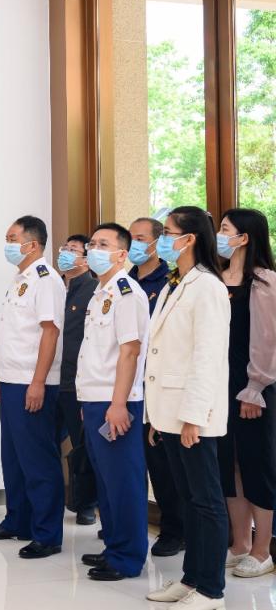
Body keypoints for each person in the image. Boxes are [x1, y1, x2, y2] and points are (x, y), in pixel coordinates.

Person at [144, 207, 230, 610]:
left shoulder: (207, 286)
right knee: (187, 499)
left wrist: (194, 417)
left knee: (206, 502)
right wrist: (155, 416)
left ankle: (211, 589)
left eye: (167, 232)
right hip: (169, 412)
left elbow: (207, 357)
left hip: (193, 416)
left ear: (189, 238)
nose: (162, 240)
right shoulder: (174, 284)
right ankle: (191, 578)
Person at [0, 215, 66, 559]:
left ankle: (47, 534)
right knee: (14, 458)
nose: (8, 245)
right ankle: (18, 520)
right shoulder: (21, 280)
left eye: (12, 239)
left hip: (33, 383)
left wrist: (38, 382)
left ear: (32, 244)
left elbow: (50, 332)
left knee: (38, 461)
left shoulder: (46, 280)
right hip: (13, 381)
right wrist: (5, 378)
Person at [75, 223, 150, 582]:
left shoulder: (126, 293)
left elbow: (130, 351)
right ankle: (114, 547)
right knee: (106, 482)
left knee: (123, 482)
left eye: (103, 244)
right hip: (96, 399)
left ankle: (128, 557)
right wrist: (87, 398)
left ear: (122, 254)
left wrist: (118, 404)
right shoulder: (100, 292)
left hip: (116, 402)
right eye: (92, 243)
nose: (93, 249)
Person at [216, 209, 276, 578]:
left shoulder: (264, 281)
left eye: (225, 229)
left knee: (257, 465)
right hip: (220, 386)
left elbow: (268, 340)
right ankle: (239, 544)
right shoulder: (216, 278)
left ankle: (262, 549)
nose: (219, 235)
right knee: (229, 465)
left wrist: (254, 388)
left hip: (254, 387)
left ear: (244, 237)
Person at [129, 215, 184, 557]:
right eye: (131, 238)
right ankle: (128, 525)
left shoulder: (169, 282)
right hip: (128, 384)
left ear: (156, 242)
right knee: (133, 462)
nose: (134, 244)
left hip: (158, 384)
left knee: (163, 465)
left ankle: (174, 531)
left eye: (140, 238)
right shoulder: (125, 281)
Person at [55, 233, 98, 527]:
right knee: (49, 442)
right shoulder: (54, 286)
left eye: (73, 250)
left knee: (82, 444)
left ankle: (87, 504)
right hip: (50, 379)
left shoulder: (92, 290)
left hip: (75, 381)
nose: (66, 253)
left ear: (85, 258)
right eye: (65, 248)